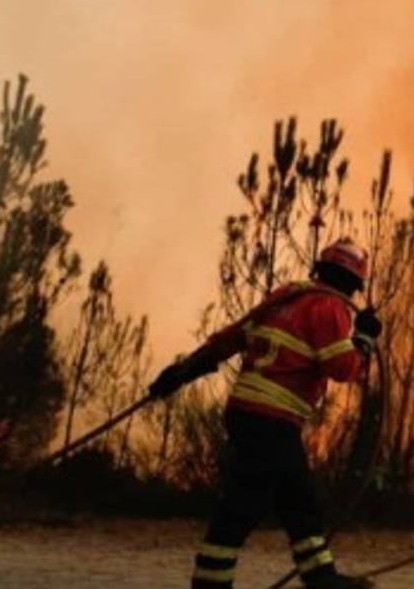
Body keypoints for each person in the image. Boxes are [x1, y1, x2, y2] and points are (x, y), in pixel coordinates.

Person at [149, 238, 383, 589]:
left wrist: (184, 372)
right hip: (272, 419)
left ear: (320, 269)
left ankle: (320, 576)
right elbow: (342, 368)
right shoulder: (331, 308)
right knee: (248, 504)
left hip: (247, 412)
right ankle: (218, 581)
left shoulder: (285, 296)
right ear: (353, 284)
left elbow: (230, 338)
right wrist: (363, 338)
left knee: (296, 497)